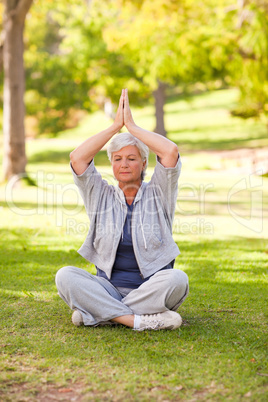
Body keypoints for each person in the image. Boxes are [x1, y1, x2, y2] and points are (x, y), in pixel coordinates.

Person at [55, 89, 189, 331]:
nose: (124, 164)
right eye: (117, 159)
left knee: (178, 279)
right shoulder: (100, 194)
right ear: (112, 165)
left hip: (150, 287)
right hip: (108, 288)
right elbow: (77, 158)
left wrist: (133, 128)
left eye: (131, 158)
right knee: (65, 275)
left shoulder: (159, 191)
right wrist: (115, 127)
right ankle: (135, 320)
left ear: (144, 163)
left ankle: (97, 313)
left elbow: (170, 151)